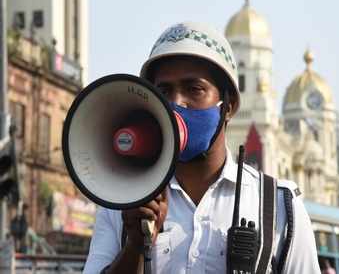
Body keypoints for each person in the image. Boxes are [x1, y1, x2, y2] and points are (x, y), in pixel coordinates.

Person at [83, 22, 320, 274]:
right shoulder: (122, 203)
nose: (176, 104)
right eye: (164, 91)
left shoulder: (279, 206)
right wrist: (134, 247)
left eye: (194, 89)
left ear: (227, 106)